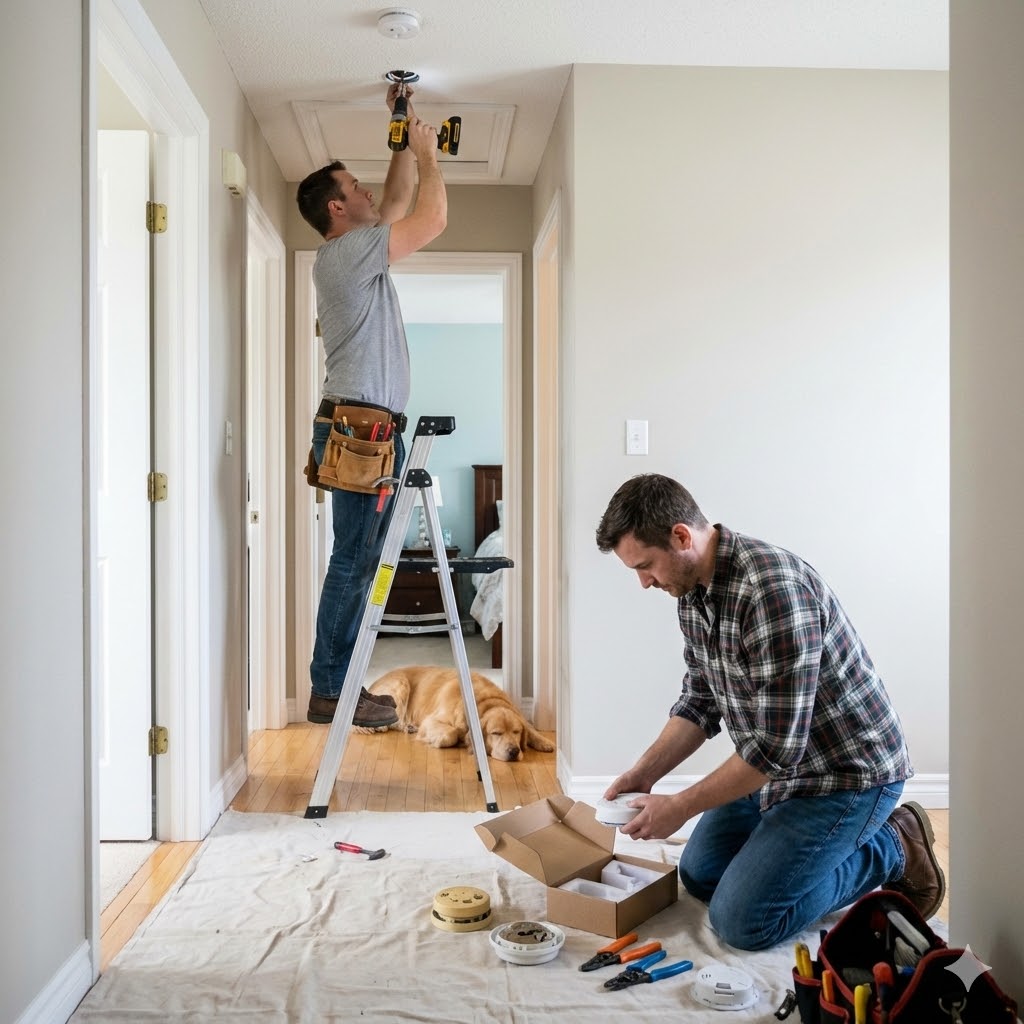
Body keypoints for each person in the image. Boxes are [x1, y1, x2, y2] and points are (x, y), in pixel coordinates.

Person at [595, 473, 944, 951]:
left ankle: (895, 847)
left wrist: (679, 806)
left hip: (845, 778)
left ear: (681, 537)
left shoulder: (773, 590)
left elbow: (775, 750)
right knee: (699, 875)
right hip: (781, 772)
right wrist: (643, 775)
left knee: (744, 923)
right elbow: (701, 699)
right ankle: (793, 849)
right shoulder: (692, 592)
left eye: (645, 565)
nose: (643, 582)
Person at [296, 84, 447, 728]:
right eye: (352, 187)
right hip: (360, 430)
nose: (365, 194)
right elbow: (428, 217)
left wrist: (398, 126)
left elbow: (391, 201)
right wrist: (429, 153)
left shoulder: (353, 252)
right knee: (353, 562)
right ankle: (331, 689)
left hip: (367, 429)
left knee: (358, 562)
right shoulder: (348, 253)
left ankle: (338, 685)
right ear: (337, 207)